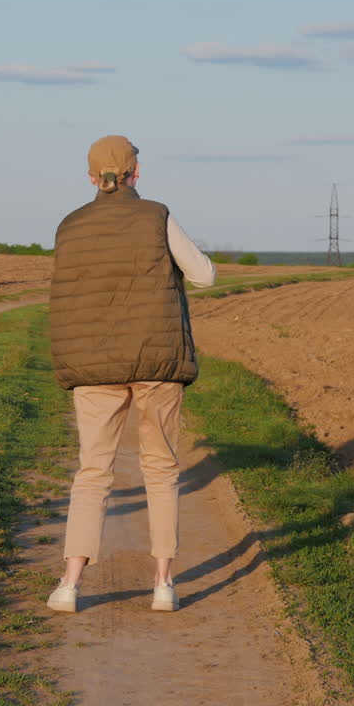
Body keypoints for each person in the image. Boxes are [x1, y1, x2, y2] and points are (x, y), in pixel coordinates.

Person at [45, 135, 215, 612]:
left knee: (92, 471)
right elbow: (203, 275)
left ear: (90, 176)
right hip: (157, 362)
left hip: (92, 366)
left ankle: (69, 584)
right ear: (136, 173)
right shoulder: (156, 215)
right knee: (160, 469)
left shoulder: (69, 225)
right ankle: (162, 584)